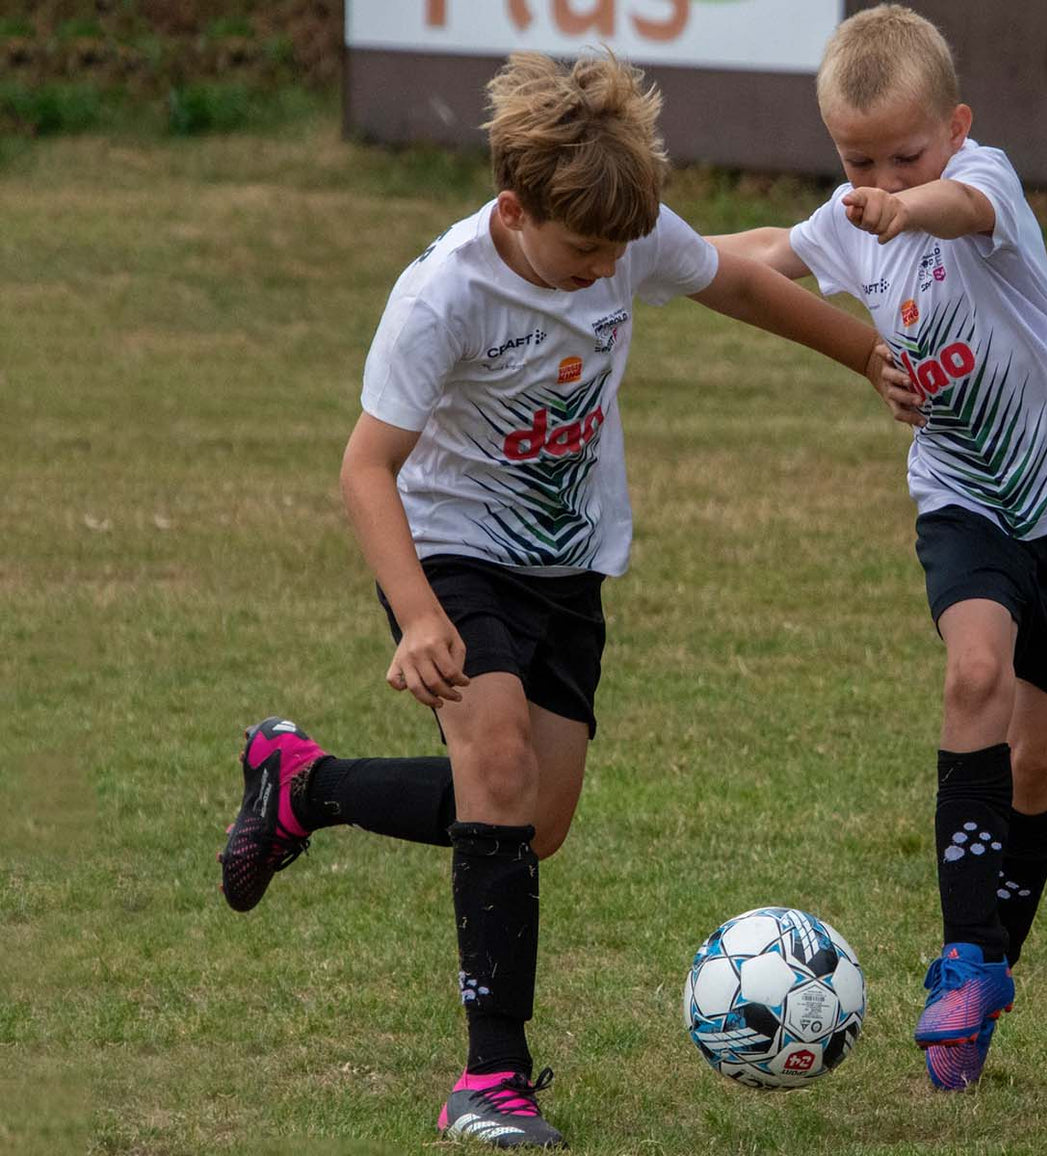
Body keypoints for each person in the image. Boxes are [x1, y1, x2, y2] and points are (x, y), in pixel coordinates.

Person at [216, 50, 913, 1149]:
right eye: (581, 252)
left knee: (529, 823)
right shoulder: (442, 291)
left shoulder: (622, 236)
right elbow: (364, 466)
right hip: (450, 552)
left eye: (615, 255)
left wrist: (866, 353)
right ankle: (489, 1079)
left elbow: (731, 282)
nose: (602, 274)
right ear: (514, 208)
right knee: (492, 764)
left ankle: (304, 785)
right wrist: (419, 615)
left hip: (567, 567)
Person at [710, 4, 1047, 1091]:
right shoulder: (854, 213)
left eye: (901, 151)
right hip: (962, 497)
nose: (874, 176)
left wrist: (907, 198)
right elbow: (765, 252)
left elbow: (953, 206)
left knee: (1036, 761)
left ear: (955, 126)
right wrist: (648, 249)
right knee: (971, 675)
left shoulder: (981, 185)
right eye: (854, 158)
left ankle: (989, 976)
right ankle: (960, 961)